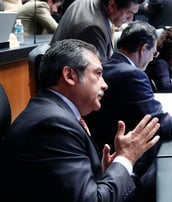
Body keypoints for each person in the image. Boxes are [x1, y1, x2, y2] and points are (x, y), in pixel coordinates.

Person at [0, 38, 161, 201]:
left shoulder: (52, 112)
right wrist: (125, 158)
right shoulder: (52, 125)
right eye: (98, 74)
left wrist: (106, 173)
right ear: (69, 75)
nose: (104, 84)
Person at [84, 22, 172, 201]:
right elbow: (163, 126)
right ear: (143, 49)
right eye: (153, 53)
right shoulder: (132, 74)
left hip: (102, 155)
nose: (152, 58)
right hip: (127, 164)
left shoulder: (106, 66)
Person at [51, 0, 146, 61]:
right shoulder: (94, 28)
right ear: (112, 5)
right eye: (129, 13)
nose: (130, 19)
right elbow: (99, 73)